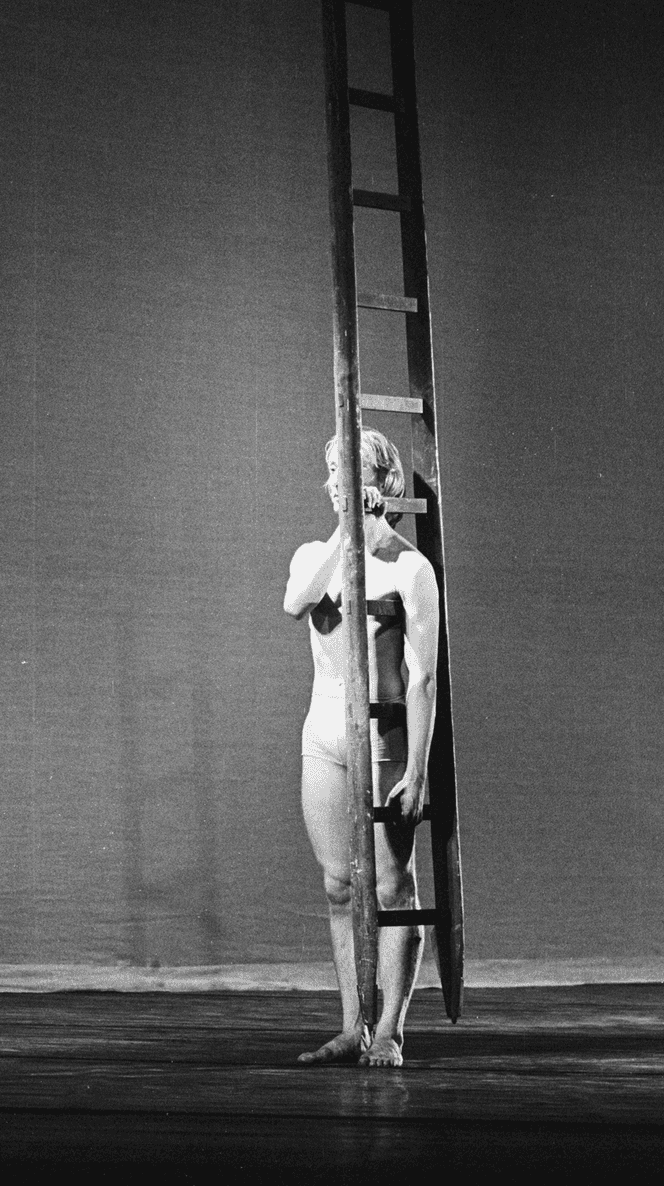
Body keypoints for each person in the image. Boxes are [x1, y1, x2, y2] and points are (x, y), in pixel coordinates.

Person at [283, 429, 439, 1067]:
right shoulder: (313, 555)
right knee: (338, 886)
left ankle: (390, 1030)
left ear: (383, 482)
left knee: (393, 887)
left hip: (381, 737)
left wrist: (418, 770)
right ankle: (353, 1024)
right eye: (330, 470)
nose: (335, 481)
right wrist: (347, 534)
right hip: (323, 733)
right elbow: (296, 602)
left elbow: (423, 678)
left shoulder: (410, 568)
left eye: (349, 470)